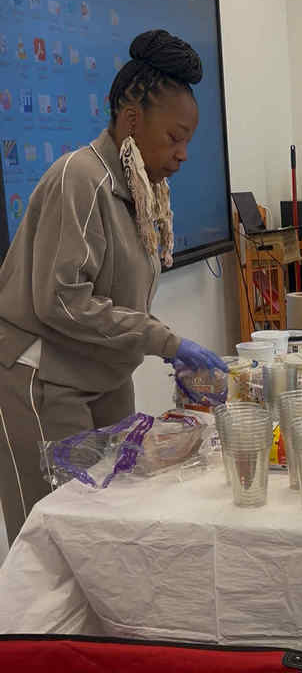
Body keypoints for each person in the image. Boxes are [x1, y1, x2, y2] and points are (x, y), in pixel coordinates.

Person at [0, 29, 226, 547]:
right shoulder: (80, 179)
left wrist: (163, 350)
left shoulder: (140, 189)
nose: (184, 153)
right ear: (130, 121)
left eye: (188, 139)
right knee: (57, 535)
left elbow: (118, 299)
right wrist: (166, 341)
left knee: (118, 515)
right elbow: (61, 301)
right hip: (43, 376)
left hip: (103, 371)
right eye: (174, 137)